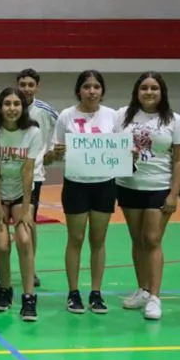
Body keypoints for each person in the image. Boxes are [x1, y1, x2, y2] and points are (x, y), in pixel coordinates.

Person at [115, 72, 180, 321]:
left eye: (154, 88)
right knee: (137, 240)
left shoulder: (174, 120)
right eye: (144, 88)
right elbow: (110, 145)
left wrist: (174, 194)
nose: (149, 92)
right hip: (128, 184)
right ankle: (143, 289)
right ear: (137, 92)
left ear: (162, 92)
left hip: (159, 186)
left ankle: (155, 297)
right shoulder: (122, 115)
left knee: (153, 239)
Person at [51, 70, 117, 315]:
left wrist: (127, 153)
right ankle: (73, 292)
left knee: (98, 240)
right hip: (76, 184)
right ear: (79, 90)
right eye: (87, 86)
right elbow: (54, 151)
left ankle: (96, 293)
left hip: (104, 184)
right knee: (76, 238)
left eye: (96, 86)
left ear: (102, 90)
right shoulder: (66, 115)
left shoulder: (112, 115)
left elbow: (119, 146)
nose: (92, 91)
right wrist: (56, 152)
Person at [0, 87, 42, 321]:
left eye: (17, 104)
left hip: (21, 192)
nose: (12, 108)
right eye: (7, 103)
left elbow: (28, 172)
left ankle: (29, 296)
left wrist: (25, 209)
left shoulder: (33, 132)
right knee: (2, 244)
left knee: (24, 239)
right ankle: (5, 289)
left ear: (23, 108)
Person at [17, 68, 58, 289]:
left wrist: (51, 155)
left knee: (28, 223)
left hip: (34, 176)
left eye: (30, 85)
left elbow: (60, 137)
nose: (26, 89)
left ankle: (30, 270)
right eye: (22, 84)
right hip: (8, 176)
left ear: (37, 87)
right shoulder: (8, 106)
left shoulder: (46, 112)